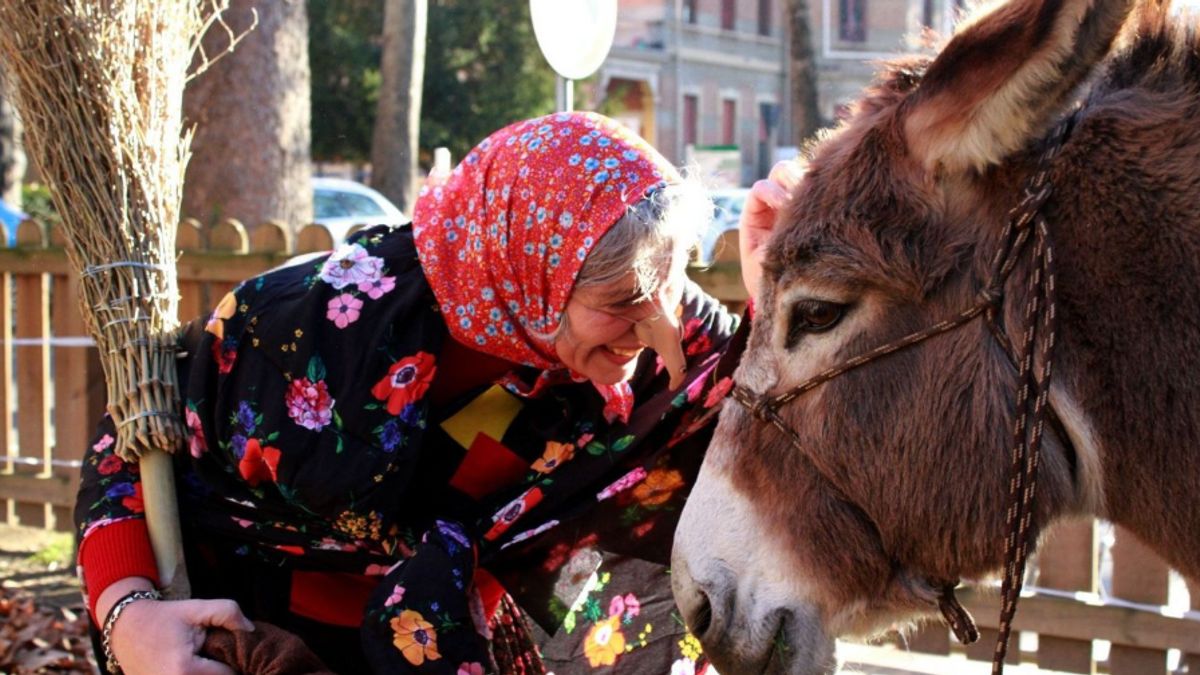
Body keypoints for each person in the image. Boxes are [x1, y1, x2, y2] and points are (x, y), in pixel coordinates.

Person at [74, 112, 801, 674]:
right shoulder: (299, 329)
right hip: (266, 631)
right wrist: (128, 612)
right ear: (526, 273)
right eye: (621, 301)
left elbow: (751, 394)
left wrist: (775, 291)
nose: (655, 328)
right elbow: (132, 441)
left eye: (667, 288)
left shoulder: (648, 330)